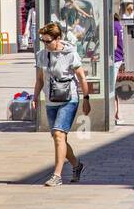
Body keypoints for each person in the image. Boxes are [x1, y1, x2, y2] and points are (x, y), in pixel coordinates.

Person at [32, 21, 90, 187]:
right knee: (59, 138)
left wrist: (86, 99)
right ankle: (77, 166)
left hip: (69, 98)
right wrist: (35, 97)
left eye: (48, 40)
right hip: (51, 100)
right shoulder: (42, 55)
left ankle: (57, 175)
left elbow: (81, 77)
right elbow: (39, 79)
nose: (45, 44)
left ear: (58, 39)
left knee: (58, 135)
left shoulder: (70, 53)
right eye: (43, 41)